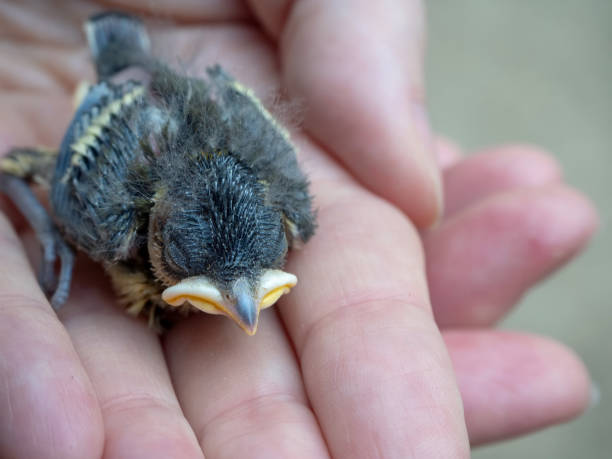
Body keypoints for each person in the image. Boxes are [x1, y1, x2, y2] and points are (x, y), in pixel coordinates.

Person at [0, 2, 597, 458]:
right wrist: (53, 233)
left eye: (255, 270)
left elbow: (234, 108)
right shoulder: (109, 219)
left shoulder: (289, 208)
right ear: (155, 237)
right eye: (194, 264)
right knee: (36, 180)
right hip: (120, 102)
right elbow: (102, 118)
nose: (243, 306)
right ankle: (109, 53)